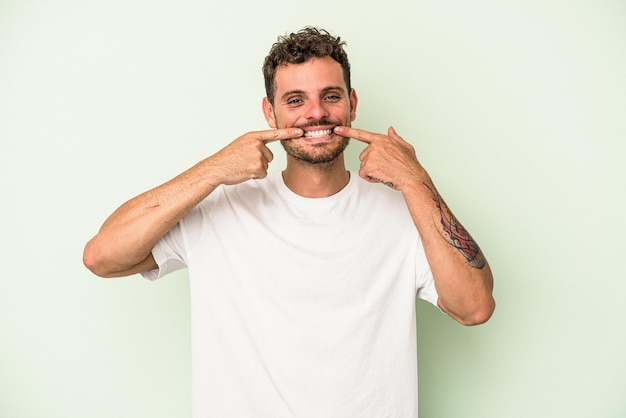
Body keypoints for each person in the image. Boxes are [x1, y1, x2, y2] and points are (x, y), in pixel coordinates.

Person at [83, 27, 495, 417]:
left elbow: (474, 307)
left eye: (330, 96)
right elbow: (103, 257)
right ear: (270, 111)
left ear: (352, 102)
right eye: (295, 100)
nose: (315, 113)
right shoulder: (219, 208)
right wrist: (212, 170)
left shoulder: (405, 212)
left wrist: (414, 178)